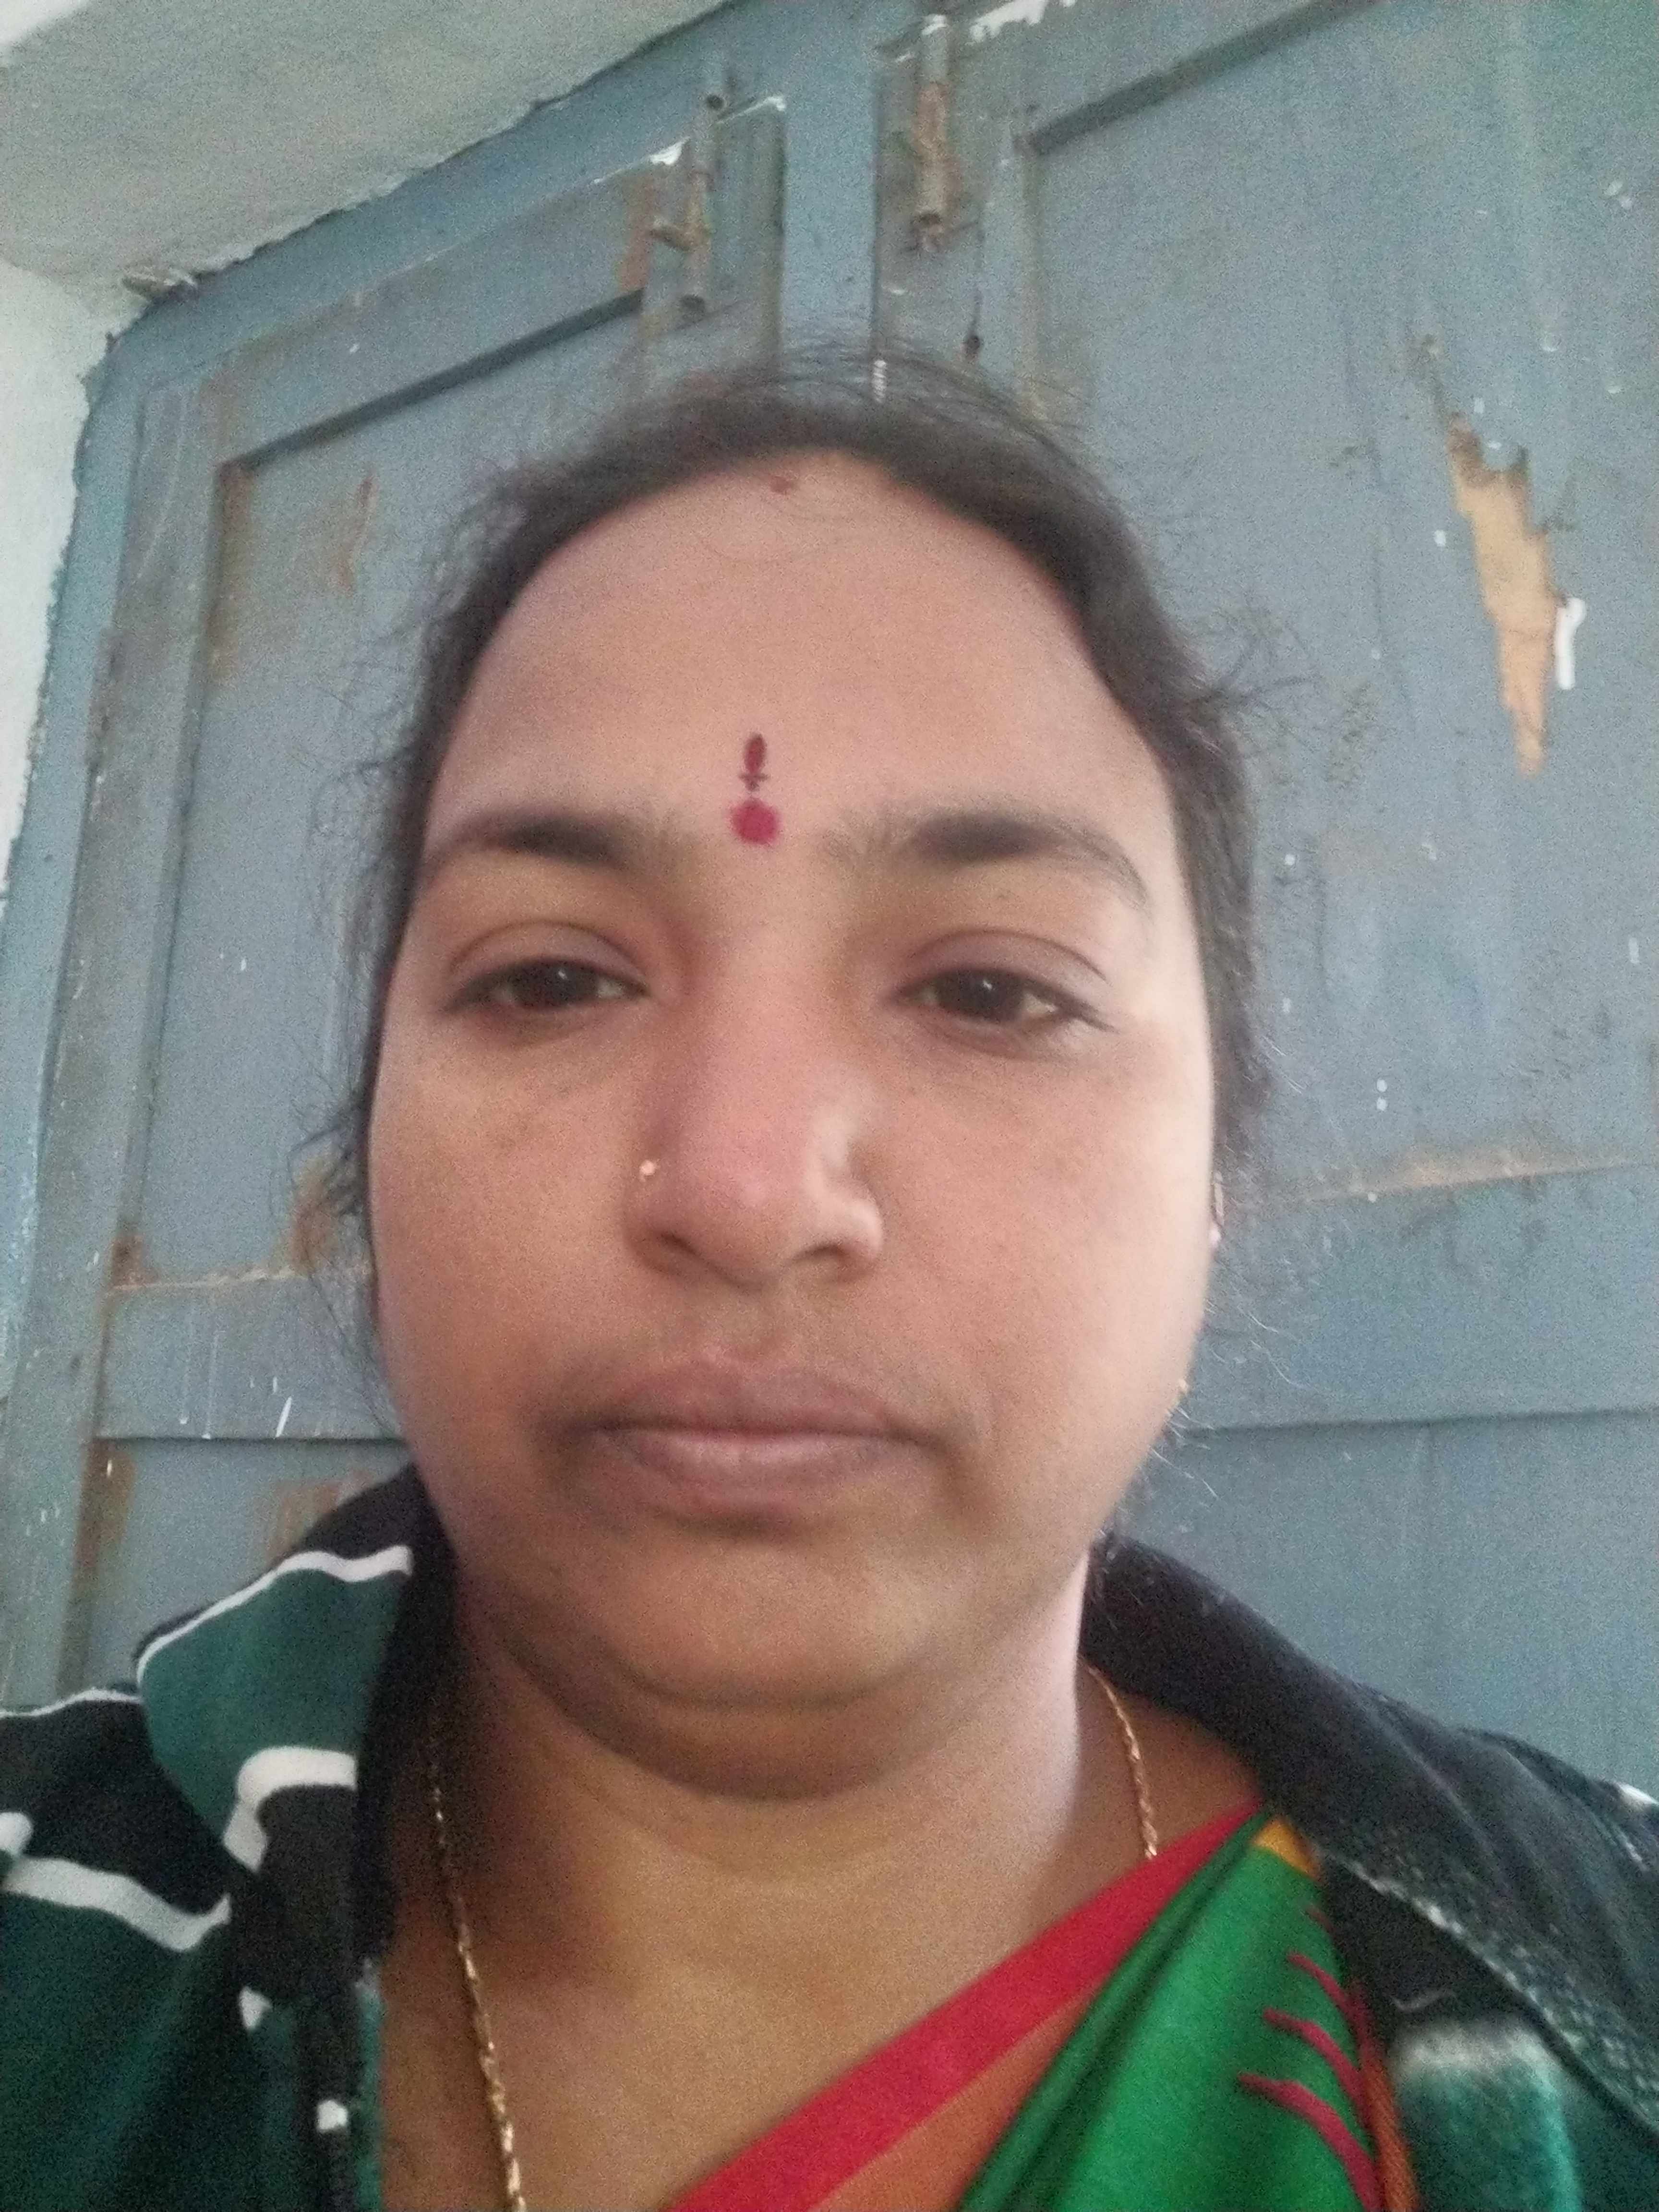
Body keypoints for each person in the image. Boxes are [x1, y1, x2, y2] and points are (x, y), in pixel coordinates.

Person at [1, 350, 1655, 2212]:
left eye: (992, 990)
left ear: (1216, 1175)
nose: (745, 1192)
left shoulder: (1605, 2002)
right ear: (367, 1142)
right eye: (551, 977)